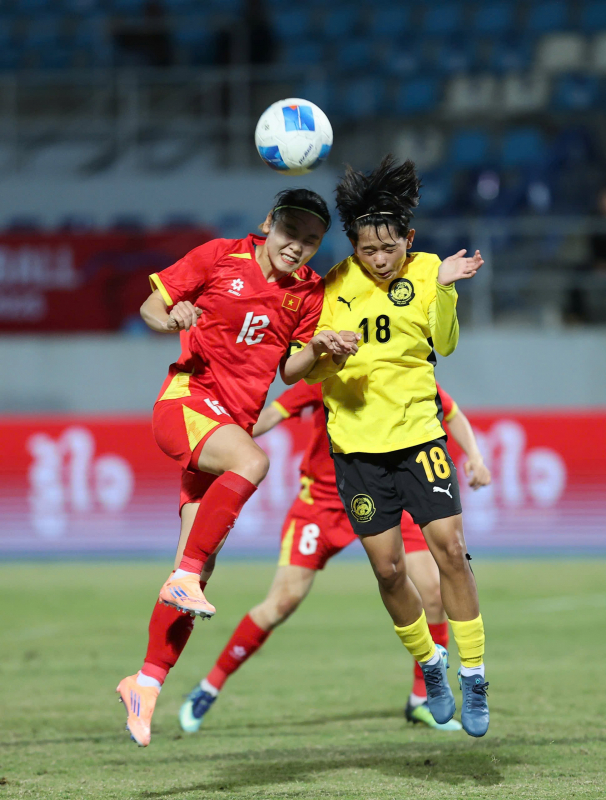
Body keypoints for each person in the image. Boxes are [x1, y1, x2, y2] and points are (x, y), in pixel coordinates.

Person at [115, 188, 360, 747]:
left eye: (310, 241)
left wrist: (322, 347)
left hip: (228, 428)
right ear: (268, 224)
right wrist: (173, 314)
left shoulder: (308, 293)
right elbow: (152, 308)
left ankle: (145, 683)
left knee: (196, 572)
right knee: (254, 462)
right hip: (186, 404)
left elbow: (293, 371)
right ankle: (182, 580)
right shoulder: (220, 255)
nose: (296, 248)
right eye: (289, 233)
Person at [179, 379, 491, 733]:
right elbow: (270, 415)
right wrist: (225, 441)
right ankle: (210, 686)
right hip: (322, 507)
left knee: (433, 592)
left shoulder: (401, 366)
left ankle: (421, 697)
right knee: (281, 603)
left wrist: (476, 457)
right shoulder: (329, 375)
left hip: (388, 498)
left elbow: (451, 412)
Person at [303, 155, 490, 737]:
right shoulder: (332, 286)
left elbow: (447, 346)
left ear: (407, 239)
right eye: (368, 250)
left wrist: (447, 292)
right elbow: (298, 374)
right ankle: (432, 667)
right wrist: (323, 348)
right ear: (353, 244)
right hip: (357, 451)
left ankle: (475, 675)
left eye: (390, 248)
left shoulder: (430, 269)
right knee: (388, 573)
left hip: (419, 438)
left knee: (451, 552)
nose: (380, 260)